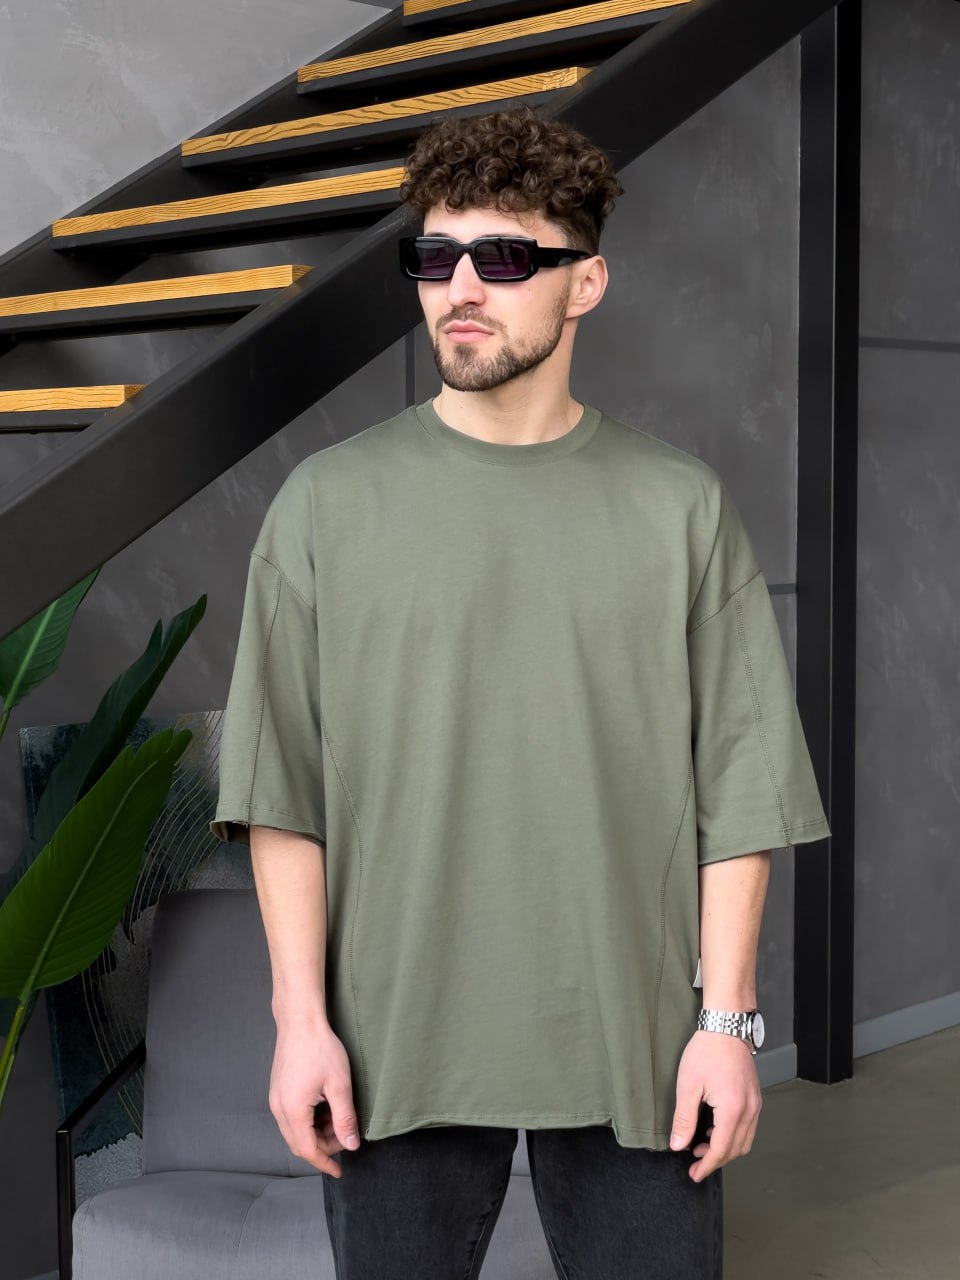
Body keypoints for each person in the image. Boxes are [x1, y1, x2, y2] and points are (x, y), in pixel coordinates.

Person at [210, 103, 831, 1279]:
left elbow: (740, 791)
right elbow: (282, 791)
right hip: (394, 1044)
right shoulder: (325, 508)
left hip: (639, 1042)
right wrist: (300, 1021)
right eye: (434, 256)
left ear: (584, 282)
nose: (460, 288)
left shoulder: (680, 507)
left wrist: (728, 1022)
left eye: (503, 258)